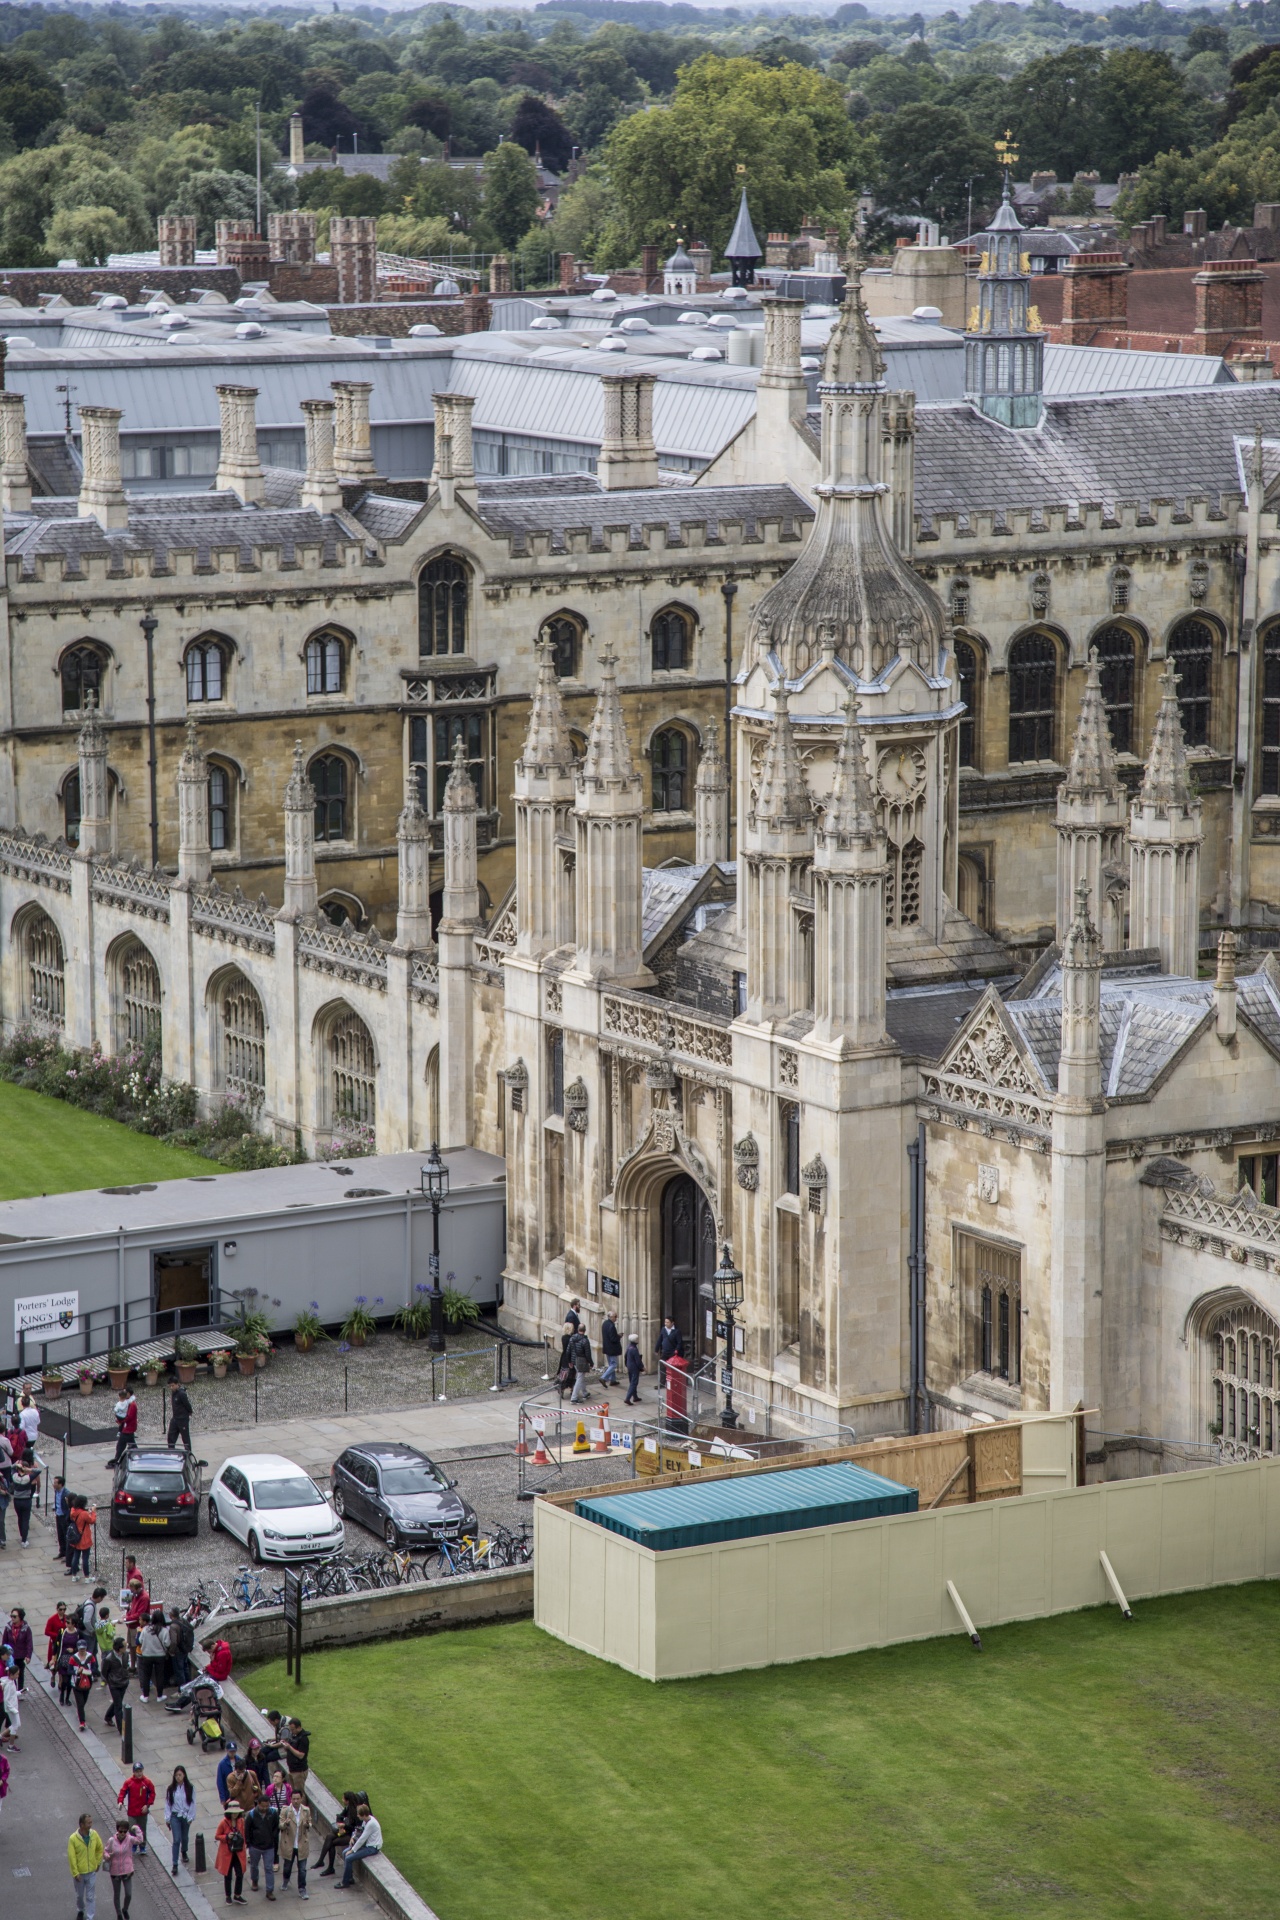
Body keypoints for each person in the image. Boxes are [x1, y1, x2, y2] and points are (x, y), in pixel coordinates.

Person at [103, 1819, 144, 1919]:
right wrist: (108, 1856)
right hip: (115, 1872)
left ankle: (125, 1909)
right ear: (117, 1830)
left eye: (125, 1831)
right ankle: (119, 1914)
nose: (123, 1833)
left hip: (127, 1871)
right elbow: (105, 1851)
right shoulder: (112, 1840)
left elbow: (140, 1840)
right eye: (121, 1831)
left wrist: (137, 1829)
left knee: (128, 1894)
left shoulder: (129, 1839)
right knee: (117, 1894)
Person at [69, 1812, 105, 1920]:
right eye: (88, 1823)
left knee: (90, 1896)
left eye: (91, 1822)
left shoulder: (94, 1835)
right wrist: (75, 1873)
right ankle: (80, 1909)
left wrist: (98, 1862)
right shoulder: (73, 1839)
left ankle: (90, 1916)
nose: (90, 1825)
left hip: (91, 1872)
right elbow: (72, 1857)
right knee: (80, 1896)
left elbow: (99, 1848)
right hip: (80, 1873)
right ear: (81, 1824)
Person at [246, 1791, 280, 1900]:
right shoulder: (251, 1815)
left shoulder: (273, 1813)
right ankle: (254, 1880)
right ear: (258, 1804)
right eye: (263, 1806)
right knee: (254, 1865)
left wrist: (273, 1837)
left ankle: (269, 1890)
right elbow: (247, 1830)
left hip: (269, 1846)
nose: (265, 1808)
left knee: (269, 1868)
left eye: (267, 1806)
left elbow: (276, 1827)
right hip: (255, 1846)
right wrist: (249, 1844)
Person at [338, 1803, 382, 1889]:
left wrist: (352, 1850)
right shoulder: (366, 1821)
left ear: (364, 1815)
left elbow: (362, 1838)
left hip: (372, 1848)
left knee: (348, 1857)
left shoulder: (371, 1824)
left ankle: (345, 1882)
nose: (357, 1816)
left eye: (359, 1814)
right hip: (367, 1845)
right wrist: (352, 1838)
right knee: (344, 1852)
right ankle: (350, 1878)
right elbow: (359, 1831)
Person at [316, 1793, 360, 1876]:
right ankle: (321, 1861)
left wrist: (344, 1826)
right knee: (329, 1836)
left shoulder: (354, 1812)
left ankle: (328, 1866)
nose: (342, 1801)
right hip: (345, 1832)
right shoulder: (348, 1808)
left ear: (348, 1801)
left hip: (351, 1836)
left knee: (331, 1843)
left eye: (344, 1799)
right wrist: (341, 1827)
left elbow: (354, 1828)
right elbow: (339, 1816)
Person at [117, 1762, 155, 1856]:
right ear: (133, 1772)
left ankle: (142, 1846)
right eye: (137, 1771)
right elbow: (123, 1792)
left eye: (140, 1771)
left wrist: (148, 1805)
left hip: (142, 1812)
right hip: (132, 1812)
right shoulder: (129, 1782)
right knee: (131, 1829)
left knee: (142, 1830)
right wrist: (120, 1801)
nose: (139, 1773)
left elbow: (152, 1793)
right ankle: (134, 1845)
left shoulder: (147, 1782)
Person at [279, 1793, 312, 1900]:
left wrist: (308, 1824)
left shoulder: (306, 1810)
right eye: (294, 1799)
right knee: (287, 1866)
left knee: (302, 1869)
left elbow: (309, 1823)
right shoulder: (286, 1811)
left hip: (302, 1843)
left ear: (301, 1799)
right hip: (289, 1843)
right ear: (291, 1799)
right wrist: (285, 1824)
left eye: (298, 1799)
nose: (296, 1801)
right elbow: (280, 1825)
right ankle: (286, 1879)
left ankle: (302, 1889)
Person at [164, 1767, 195, 1877]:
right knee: (176, 1839)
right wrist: (167, 1818)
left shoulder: (190, 1788)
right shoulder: (171, 1789)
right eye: (176, 1775)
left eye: (180, 1775)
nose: (178, 1777)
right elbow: (168, 1804)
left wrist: (191, 1817)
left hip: (185, 1816)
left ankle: (184, 1851)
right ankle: (175, 1864)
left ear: (184, 1775)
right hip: (175, 1816)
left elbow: (192, 1803)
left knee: (185, 1837)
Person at [215, 1804, 248, 1906]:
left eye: (236, 1812)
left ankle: (237, 1895)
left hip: (238, 1852)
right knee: (227, 1875)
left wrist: (245, 1846)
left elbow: (244, 1835)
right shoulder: (223, 1822)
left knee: (240, 1873)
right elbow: (217, 1836)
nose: (235, 1814)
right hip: (227, 1852)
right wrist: (226, 1836)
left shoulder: (241, 1821)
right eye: (233, 1812)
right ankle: (228, 1896)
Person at [137, 1610, 169, 1703]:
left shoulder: (146, 1629)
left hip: (147, 1655)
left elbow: (140, 1640)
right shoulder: (164, 1630)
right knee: (159, 1675)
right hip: (160, 1656)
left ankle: (145, 1696)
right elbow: (167, 1643)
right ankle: (159, 1696)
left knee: (146, 1675)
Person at [11, 1449, 39, 1546]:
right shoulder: (28, 1478)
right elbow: (38, 1471)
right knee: (26, 1519)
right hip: (26, 1500)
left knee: (20, 1518)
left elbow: (11, 1468)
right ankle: (24, 1539)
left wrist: (17, 1465)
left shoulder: (14, 1476)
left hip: (17, 1500)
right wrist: (29, 1470)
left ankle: (22, 1534)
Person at [65, 1490, 95, 1577]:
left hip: (76, 1537)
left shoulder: (73, 1511)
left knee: (75, 1557)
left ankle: (74, 1575)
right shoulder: (84, 1514)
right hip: (84, 1538)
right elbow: (92, 1520)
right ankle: (86, 1576)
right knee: (85, 1559)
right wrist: (93, 1512)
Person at [103, 1637, 130, 1731]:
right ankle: (121, 1729)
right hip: (114, 1684)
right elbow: (104, 1672)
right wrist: (110, 1680)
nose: (126, 1647)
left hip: (124, 1682)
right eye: (125, 1646)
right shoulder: (109, 1659)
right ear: (120, 1648)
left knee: (117, 1702)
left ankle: (108, 1716)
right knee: (118, 1706)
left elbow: (126, 1666)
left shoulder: (126, 1654)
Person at [123, 1576, 150, 1669]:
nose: (131, 1592)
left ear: (138, 1588)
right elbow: (132, 1608)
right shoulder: (135, 1595)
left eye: (132, 1589)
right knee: (131, 1646)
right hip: (131, 1625)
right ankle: (133, 1667)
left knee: (136, 1647)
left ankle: (138, 1668)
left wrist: (127, 1618)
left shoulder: (144, 1597)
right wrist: (127, 1614)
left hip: (137, 1626)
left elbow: (139, 1614)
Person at [70, 1635, 95, 1730]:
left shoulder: (90, 1657)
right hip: (76, 1683)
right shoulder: (73, 1658)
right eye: (80, 1649)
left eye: (83, 1649)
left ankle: (80, 1712)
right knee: (80, 1703)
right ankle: (82, 1722)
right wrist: (77, 1672)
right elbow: (69, 1671)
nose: (82, 1651)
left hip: (88, 1682)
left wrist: (90, 1671)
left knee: (84, 1700)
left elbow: (94, 1668)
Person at [4, 1606, 32, 1692]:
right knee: (11, 1673)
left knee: (20, 1673)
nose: (12, 1618)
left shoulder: (26, 1629)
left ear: (20, 1617)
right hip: (11, 1655)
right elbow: (4, 1642)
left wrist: (28, 1655)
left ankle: (19, 1690)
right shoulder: (8, 1628)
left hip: (21, 1655)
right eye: (11, 1616)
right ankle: (13, 1690)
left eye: (14, 1616)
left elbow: (29, 1643)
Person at [282, 1719, 310, 1796]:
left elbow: (301, 1755)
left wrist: (289, 1747)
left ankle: (302, 1807)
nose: (291, 1731)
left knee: (299, 1794)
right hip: (292, 1769)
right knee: (294, 1793)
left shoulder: (303, 1739)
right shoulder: (295, 1735)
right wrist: (286, 1747)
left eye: (293, 1729)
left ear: (299, 1728)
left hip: (299, 1771)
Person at [567, 1323, 594, 1403]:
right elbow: (588, 1354)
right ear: (585, 1330)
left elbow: (568, 1351)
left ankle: (585, 1392)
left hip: (574, 1360)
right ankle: (574, 1397)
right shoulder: (585, 1340)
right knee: (580, 1378)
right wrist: (591, 1363)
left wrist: (569, 1361)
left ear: (578, 1329)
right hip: (581, 1361)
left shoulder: (572, 1338)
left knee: (580, 1376)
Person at [167, 1381, 193, 1453]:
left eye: (172, 1385)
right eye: (170, 1386)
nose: (171, 1388)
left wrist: (189, 1412)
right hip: (175, 1418)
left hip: (182, 1419)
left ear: (177, 1384)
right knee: (171, 1436)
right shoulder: (174, 1393)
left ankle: (188, 1452)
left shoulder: (181, 1394)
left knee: (185, 1438)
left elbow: (187, 1404)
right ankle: (171, 1451)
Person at [113, 1392, 138, 1466]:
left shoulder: (132, 1404)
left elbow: (128, 1417)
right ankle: (137, 1455)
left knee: (121, 1445)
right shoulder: (129, 1403)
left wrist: (120, 1421)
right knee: (131, 1444)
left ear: (129, 1394)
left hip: (127, 1428)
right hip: (128, 1428)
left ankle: (117, 1460)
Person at [0, 1660, 21, 1751]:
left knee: (16, 1725)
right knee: (15, 1725)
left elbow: (13, 1694)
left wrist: (19, 1692)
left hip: (13, 1707)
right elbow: (7, 1699)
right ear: (11, 1675)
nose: (18, 1676)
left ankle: (1, 1737)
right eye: (16, 1674)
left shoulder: (11, 1682)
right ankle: (11, 1746)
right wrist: (13, 1709)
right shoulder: (8, 1685)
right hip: (11, 1708)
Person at [45, 1600, 69, 1675]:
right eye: (60, 1609)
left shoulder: (67, 1618)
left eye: (64, 1609)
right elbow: (47, 1631)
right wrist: (57, 1635)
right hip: (55, 1642)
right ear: (57, 1609)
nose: (62, 1611)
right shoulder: (52, 1619)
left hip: (64, 1641)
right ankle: (53, 1674)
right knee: (53, 1659)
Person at [599, 1310, 622, 1386]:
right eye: (615, 1316)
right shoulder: (611, 1326)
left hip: (607, 1347)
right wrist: (619, 1336)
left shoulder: (605, 1324)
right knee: (614, 1365)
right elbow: (613, 1339)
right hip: (612, 1348)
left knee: (611, 1364)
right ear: (611, 1317)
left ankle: (613, 1380)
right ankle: (604, 1378)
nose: (616, 1318)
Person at [657, 1315, 682, 1386]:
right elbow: (660, 1339)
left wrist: (677, 1350)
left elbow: (679, 1342)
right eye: (665, 1322)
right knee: (662, 1367)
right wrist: (656, 1348)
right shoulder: (663, 1329)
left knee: (672, 1369)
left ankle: (673, 1382)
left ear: (672, 1323)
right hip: (665, 1352)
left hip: (672, 1353)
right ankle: (662, 1383)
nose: (666, 1324)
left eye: (667, 1322)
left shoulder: (677, 1331)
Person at [624, 1332, 644, 1404]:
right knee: (634, 1383)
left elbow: (625, 1356)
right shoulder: (634, 1349)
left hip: (629, 1366)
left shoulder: (629, 1347)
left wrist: (626, 1364)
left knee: (631, 1381)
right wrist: (642, 1367)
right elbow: (638, 1361)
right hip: (634, 1367)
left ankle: (635, 1396)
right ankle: (628, 1398)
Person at [53, 1474, 70, 1559]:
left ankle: (67, 1554)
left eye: (55, 1483)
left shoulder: (66, 1493)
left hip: (64, 1516)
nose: (54, 1484)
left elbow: (69, 1506)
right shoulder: (56, 1491)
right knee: (60, 1535)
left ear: (61, 1484)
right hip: (58, 1515)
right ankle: (62, 1552)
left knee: (65, 1535)